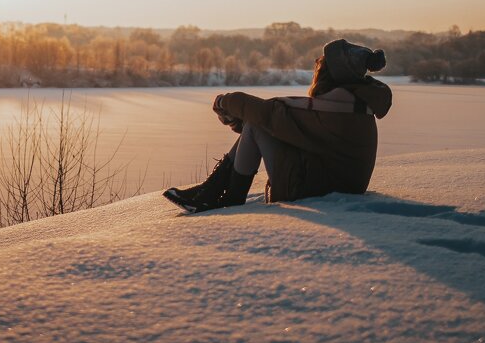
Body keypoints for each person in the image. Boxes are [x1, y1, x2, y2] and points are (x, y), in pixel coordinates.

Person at [164, 39, 392, 213]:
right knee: (259, 124)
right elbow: (286, 124)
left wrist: (225, 101)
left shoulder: (338, 110)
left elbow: (272, 114)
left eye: (321, 63)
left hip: (315, 190)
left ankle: (225, 198)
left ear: (330, 73)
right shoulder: (352, 105)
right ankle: (211, 191)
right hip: (325, 182)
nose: (317, 66)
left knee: (258, 123)